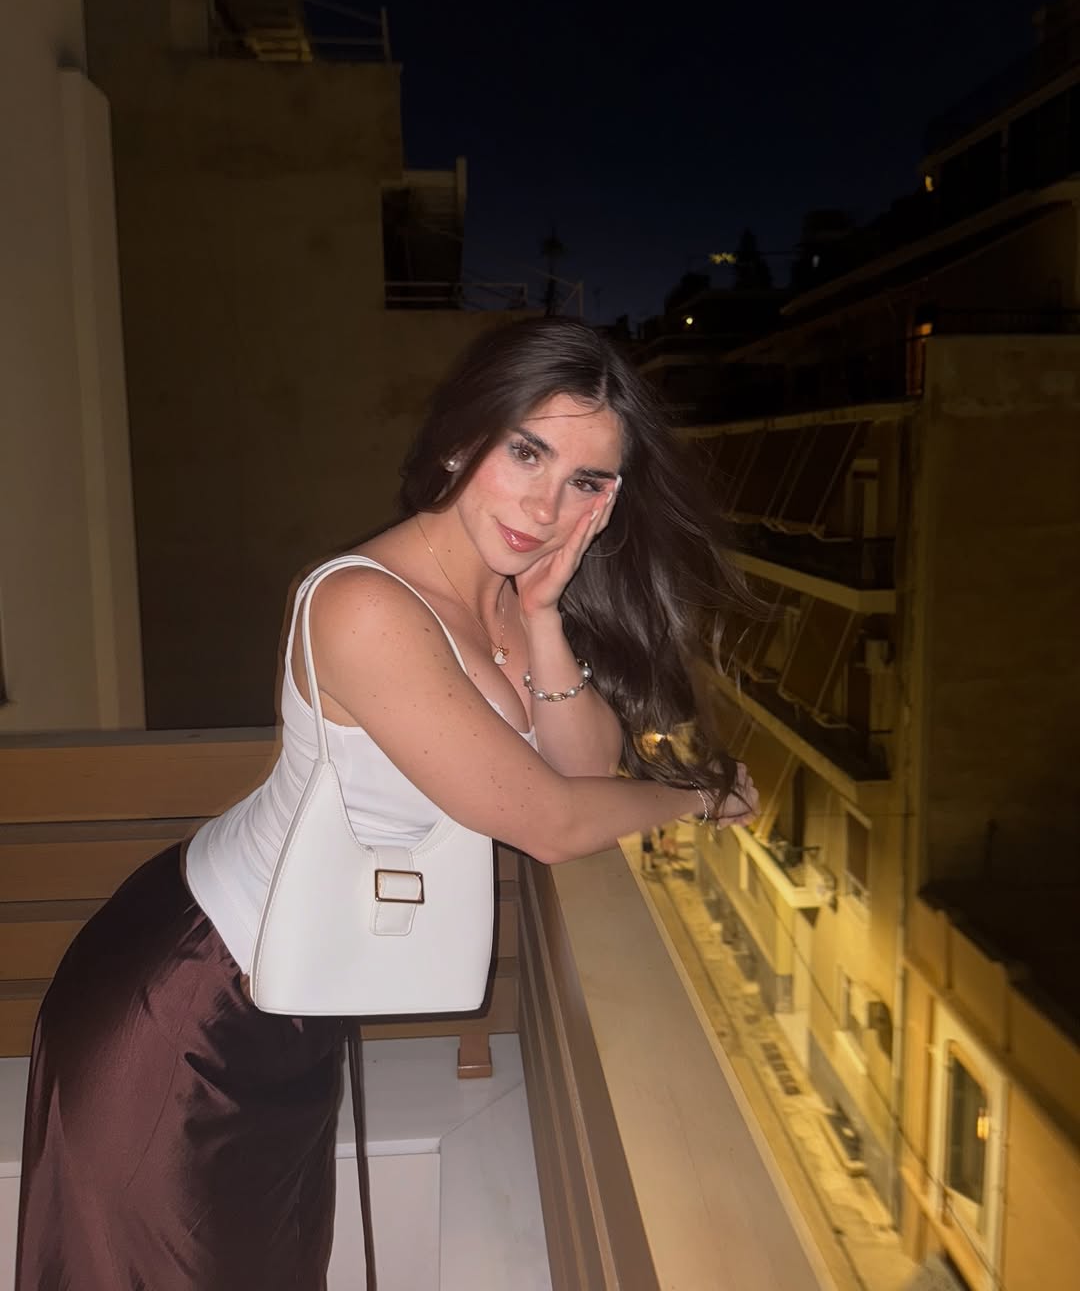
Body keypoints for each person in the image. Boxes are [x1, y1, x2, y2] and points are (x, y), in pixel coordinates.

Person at [15, 317, 758, 1290]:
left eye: (585, 480)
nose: (545, 504)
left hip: (293, 999)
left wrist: (543, 617)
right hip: (188, 1005)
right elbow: (550, 823)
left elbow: (583, 769)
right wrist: (693, 799)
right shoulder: (364, 605)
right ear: (462, 438)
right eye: (526, 452)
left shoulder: (508, 588)